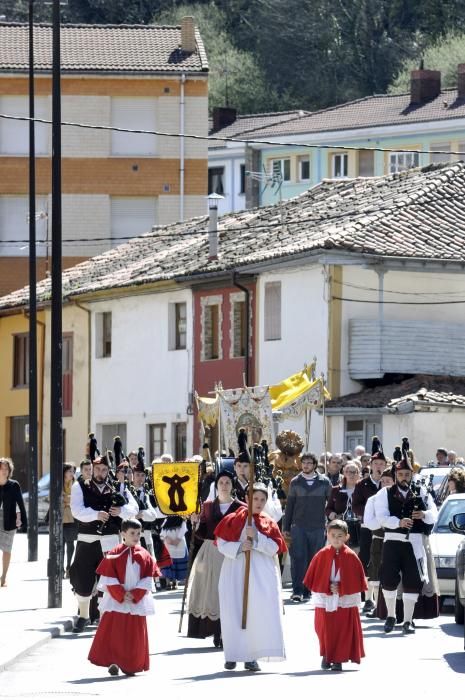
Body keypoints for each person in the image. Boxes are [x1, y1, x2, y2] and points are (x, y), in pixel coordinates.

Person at [215, 483, 287, 672]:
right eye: (255, 498)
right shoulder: (232, 519)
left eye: (263, 500)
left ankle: (252, 657)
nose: (259, 503)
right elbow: (221, 543)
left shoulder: (268, 522)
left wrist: (257, 539)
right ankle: (232, 654)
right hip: (235, 570)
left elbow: (275, 548)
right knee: (234, 611)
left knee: (256, 613)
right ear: (247, 499)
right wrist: (239, 547)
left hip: (260, 574)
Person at [70, 455, 138, 633]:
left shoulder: (117, 487)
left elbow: (134, 508)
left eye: (104, 470)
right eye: (98, 469)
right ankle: (83, 616)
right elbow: (76, 510)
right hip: (87, 539)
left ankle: (103, 616)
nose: (101, 473)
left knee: (108, 581)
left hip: (109, 540)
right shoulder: (80, 486)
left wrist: (121, 511)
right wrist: (95, 515)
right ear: (92, 468)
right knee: (82, 577)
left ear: (109, 471)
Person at [374, 449, 437, 634]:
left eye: (407, 474)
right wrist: (398, 522)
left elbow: (434, 513)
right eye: (400, 474)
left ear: (412, 475)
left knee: (413, 580)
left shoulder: (422, 491)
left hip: (415, 542)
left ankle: (408, 621)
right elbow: (381, 517)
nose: (403, 477)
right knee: (389, 579)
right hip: (393, 540)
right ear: (395, 475)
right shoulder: (384, 493)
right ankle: (392, 615)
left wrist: (424, 514)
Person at [88, 518, 159, 676]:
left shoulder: (145, 555)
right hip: (116, 600)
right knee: (114, 631)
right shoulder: (113, 554)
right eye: (132, 533)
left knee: (134, 633)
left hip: (136, 601)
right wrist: (120, 594)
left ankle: (131, 663)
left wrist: (135, 594)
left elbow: (148, 578)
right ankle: (113, 661)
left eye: (138, 534)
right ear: (123, 534)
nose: (136, 536)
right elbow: (108, 577)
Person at [187, 470, 244, 647]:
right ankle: (212, 631)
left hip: (231, 553)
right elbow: (202, 533)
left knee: (228, 593)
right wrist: (194, 523)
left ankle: (225, 632)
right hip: (210, 551)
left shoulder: (241, 507)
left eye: (228, 482)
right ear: (216, 485)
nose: (224, 486)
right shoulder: (208, 506)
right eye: (221, 483)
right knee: (208, 592)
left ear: (232, 485)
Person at [304, 519, 366, 671]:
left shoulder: (351, 556)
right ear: (327, 535)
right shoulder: (321, 555)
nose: (336, 539)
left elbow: (355, 579)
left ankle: (338, 658)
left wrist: (342, 587)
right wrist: (326, 586)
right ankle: (327, 654)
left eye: (340, 535)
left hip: (344, 599)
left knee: (342, 629)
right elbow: (315, 576)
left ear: (347, 537)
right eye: (333, 535)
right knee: (323, 628)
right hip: (325, 599)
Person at [282, 452, 331, 602]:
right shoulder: (295, 482)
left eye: (309, 463)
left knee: (313, 559)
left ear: (315, 465)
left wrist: (330, 523)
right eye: (304, 463)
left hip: (317, 526)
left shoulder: (324, 482)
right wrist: (286, 527)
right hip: (299, 526)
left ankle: (308, 590)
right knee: (298, 558)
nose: (306, 465)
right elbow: (289, 505)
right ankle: (297, 590)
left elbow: (331, 504)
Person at [352, 437, 386, 608]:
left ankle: (382, 596)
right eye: (376, 463)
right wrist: (368, 514)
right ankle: (368, 597)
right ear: (370, 465)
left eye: (382, 464)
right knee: (366, 559)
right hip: (367, 528)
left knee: (382, 560)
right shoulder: (362, 484)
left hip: (386, 529)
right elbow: (355, 505)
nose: (379, 466)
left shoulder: (388, 484)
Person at [361, 467, 394, 615]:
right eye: (383, 481)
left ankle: (389, 606)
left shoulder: (397, 498)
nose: (386, 483)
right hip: (379, 539)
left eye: (389, 481)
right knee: (375, 569)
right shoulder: (373, 499)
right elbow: (369, 521)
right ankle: (372, 602)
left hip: (395, 540)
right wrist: (385, 524)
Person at [0, 457, 27, 587]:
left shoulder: (13, 485)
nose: (4, 471)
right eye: (1, 468)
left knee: (7, 549)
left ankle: (3, 577)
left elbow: (20, 504)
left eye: (6, 469)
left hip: (9, 519)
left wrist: (20, 518)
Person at [326, 462, 361, 549]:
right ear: (344, 473)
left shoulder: (362, 490)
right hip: (340, 528)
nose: (351, 475)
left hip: (358, 528)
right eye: (348, 472)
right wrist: (333, 515)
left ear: (358, 474)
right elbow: (328, 508)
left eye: (354, 472)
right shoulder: (336, 490)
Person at [160, 516, 188, 589]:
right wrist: (166, 537)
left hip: (179, 544)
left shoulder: (182, 520)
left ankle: (175, 582)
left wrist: (178, 539)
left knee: (176, 564)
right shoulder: (166, 520)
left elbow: (183, 529)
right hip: (169, 546)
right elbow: (162, 532)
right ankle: (168, 582)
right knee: (169, 564)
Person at [63, 463, 78, 579]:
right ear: (64, 472)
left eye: (73, 472)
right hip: (60, 518)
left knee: (70, 544)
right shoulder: (58, 483)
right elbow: (58, 497)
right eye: (70, 471)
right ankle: (60, 568)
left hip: (72, 518)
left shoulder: (75, 484)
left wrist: (67, 500)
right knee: (60, 545)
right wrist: (68, 499)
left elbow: (76, 499)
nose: (72, 474)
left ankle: (68, 567)